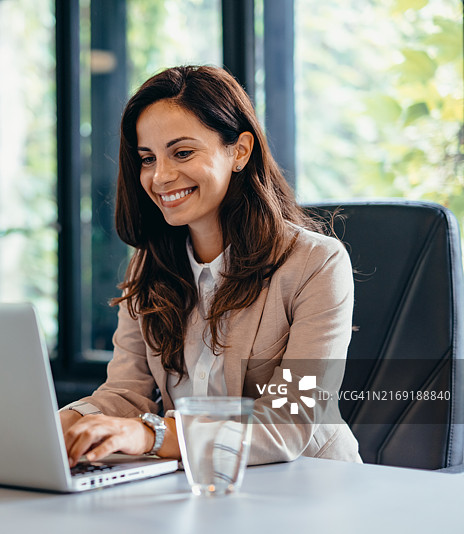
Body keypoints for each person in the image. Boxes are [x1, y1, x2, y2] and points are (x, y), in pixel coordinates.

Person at [60, 65, 361, 467]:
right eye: (147, 158)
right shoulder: (148, 266)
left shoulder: (316, 264)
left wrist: (152, 434)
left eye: (182, 152)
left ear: (239, 151)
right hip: (194, 488)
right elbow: (125, 393)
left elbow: (290, 420)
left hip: (306, 486)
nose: (160, 176)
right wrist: (60, 424)